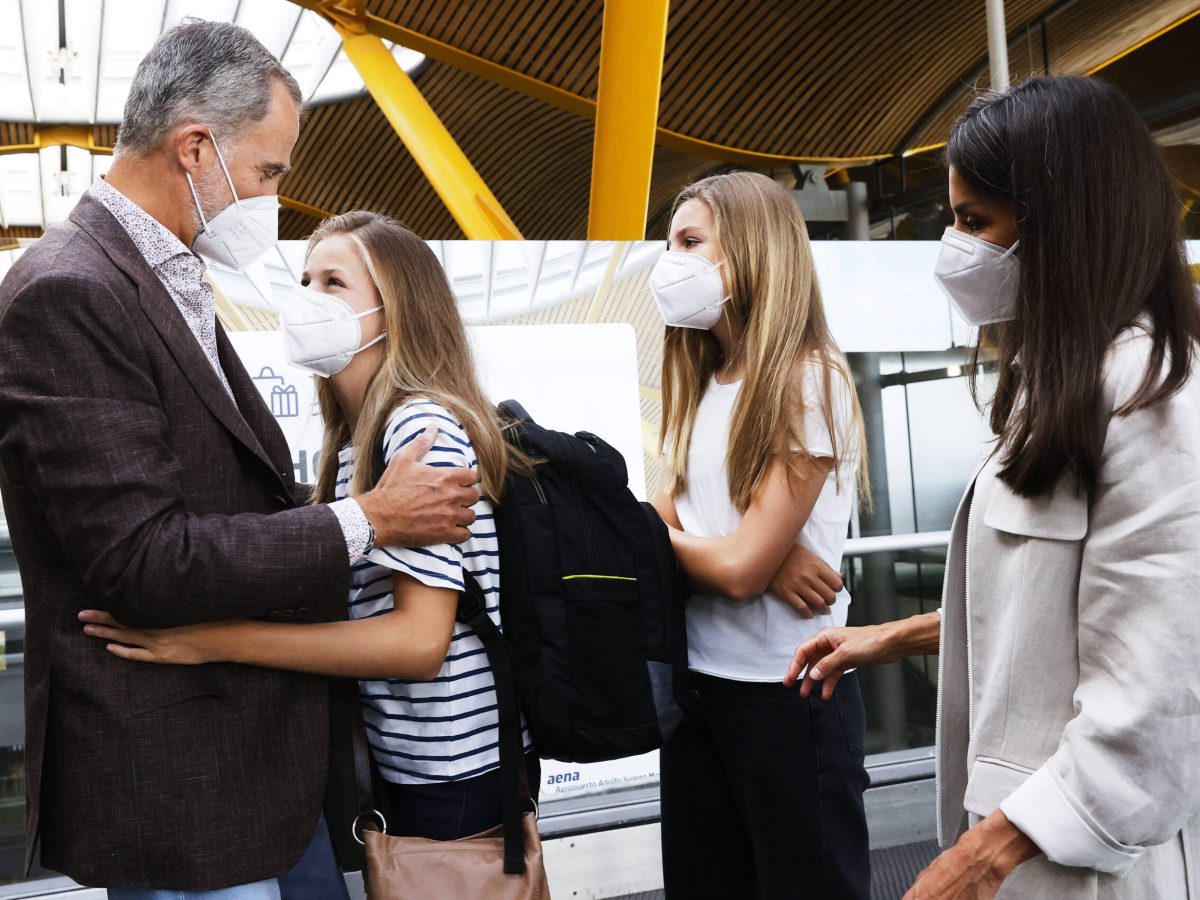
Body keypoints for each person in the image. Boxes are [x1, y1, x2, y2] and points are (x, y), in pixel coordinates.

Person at [0, 22, 477, 899]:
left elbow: (215, 487)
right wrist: (368, 519)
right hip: (185, 778)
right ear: (194, 149)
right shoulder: (71, 288)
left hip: (246, 771)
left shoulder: (156, 273)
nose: (273, 199)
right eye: (268, 172)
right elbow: (143, 558)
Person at [785, 75, 1200, 900]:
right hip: (1025, 844)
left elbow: (1158, 695)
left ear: (1062, 227)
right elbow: (1056, 608)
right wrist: (891, 637)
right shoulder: (1066, 385)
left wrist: (982, 858)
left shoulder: (1153, 401)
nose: (955, 245)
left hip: (1084, 862)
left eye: (975, 221)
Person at [80, 211, 540, 845]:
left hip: (454, 769)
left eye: (334, 282)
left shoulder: (418, 429)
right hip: (407, 763)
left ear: (395, 310)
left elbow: (418, 644)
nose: (308, 299)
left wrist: (213, 639)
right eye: (305, 279)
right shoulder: (355, 442)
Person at [649, 171, 872, 899]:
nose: (671, 259)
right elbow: (662, 524)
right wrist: (754, 550)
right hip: (700, 691)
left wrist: (751, 555)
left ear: (749, 250)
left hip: (790, 694)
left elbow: (734, 566)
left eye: (690, 241)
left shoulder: (809, 378)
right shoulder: (700, 377)